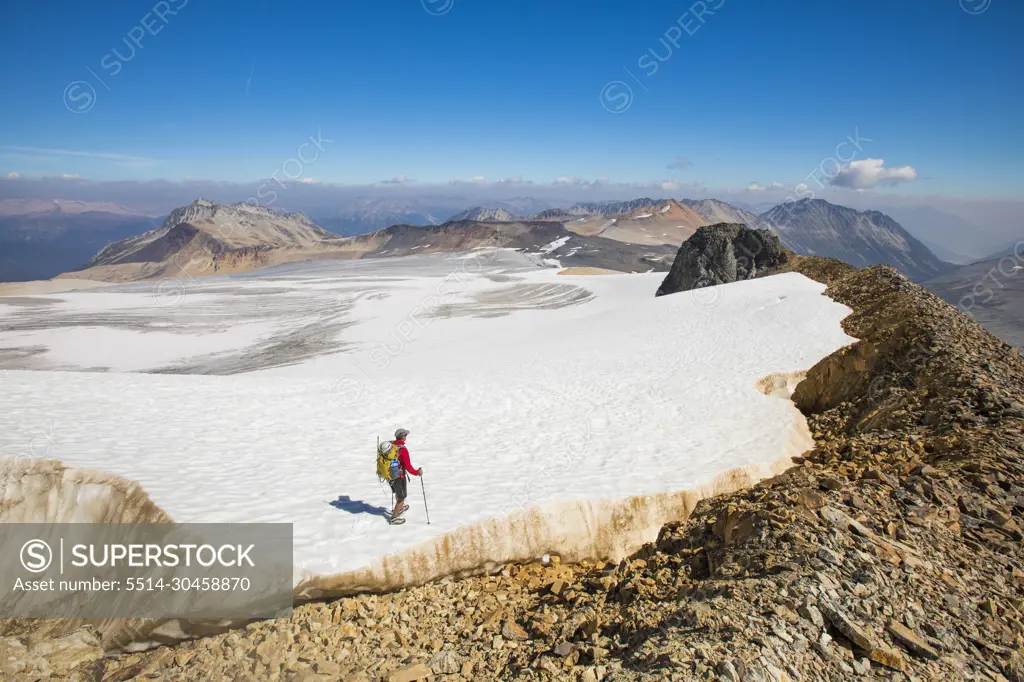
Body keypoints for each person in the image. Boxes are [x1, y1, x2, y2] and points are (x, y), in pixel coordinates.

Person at [389, 428, 422, 519]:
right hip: (399, 476)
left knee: (399, 494)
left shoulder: (391, 446)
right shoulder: (402, 450)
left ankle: (399, 508)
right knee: (401, 497)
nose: (406, 436)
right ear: (402, 436)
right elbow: (408, 466)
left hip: (390, 475)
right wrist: (417, 472)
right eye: (405, 435)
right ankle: (394, 517)